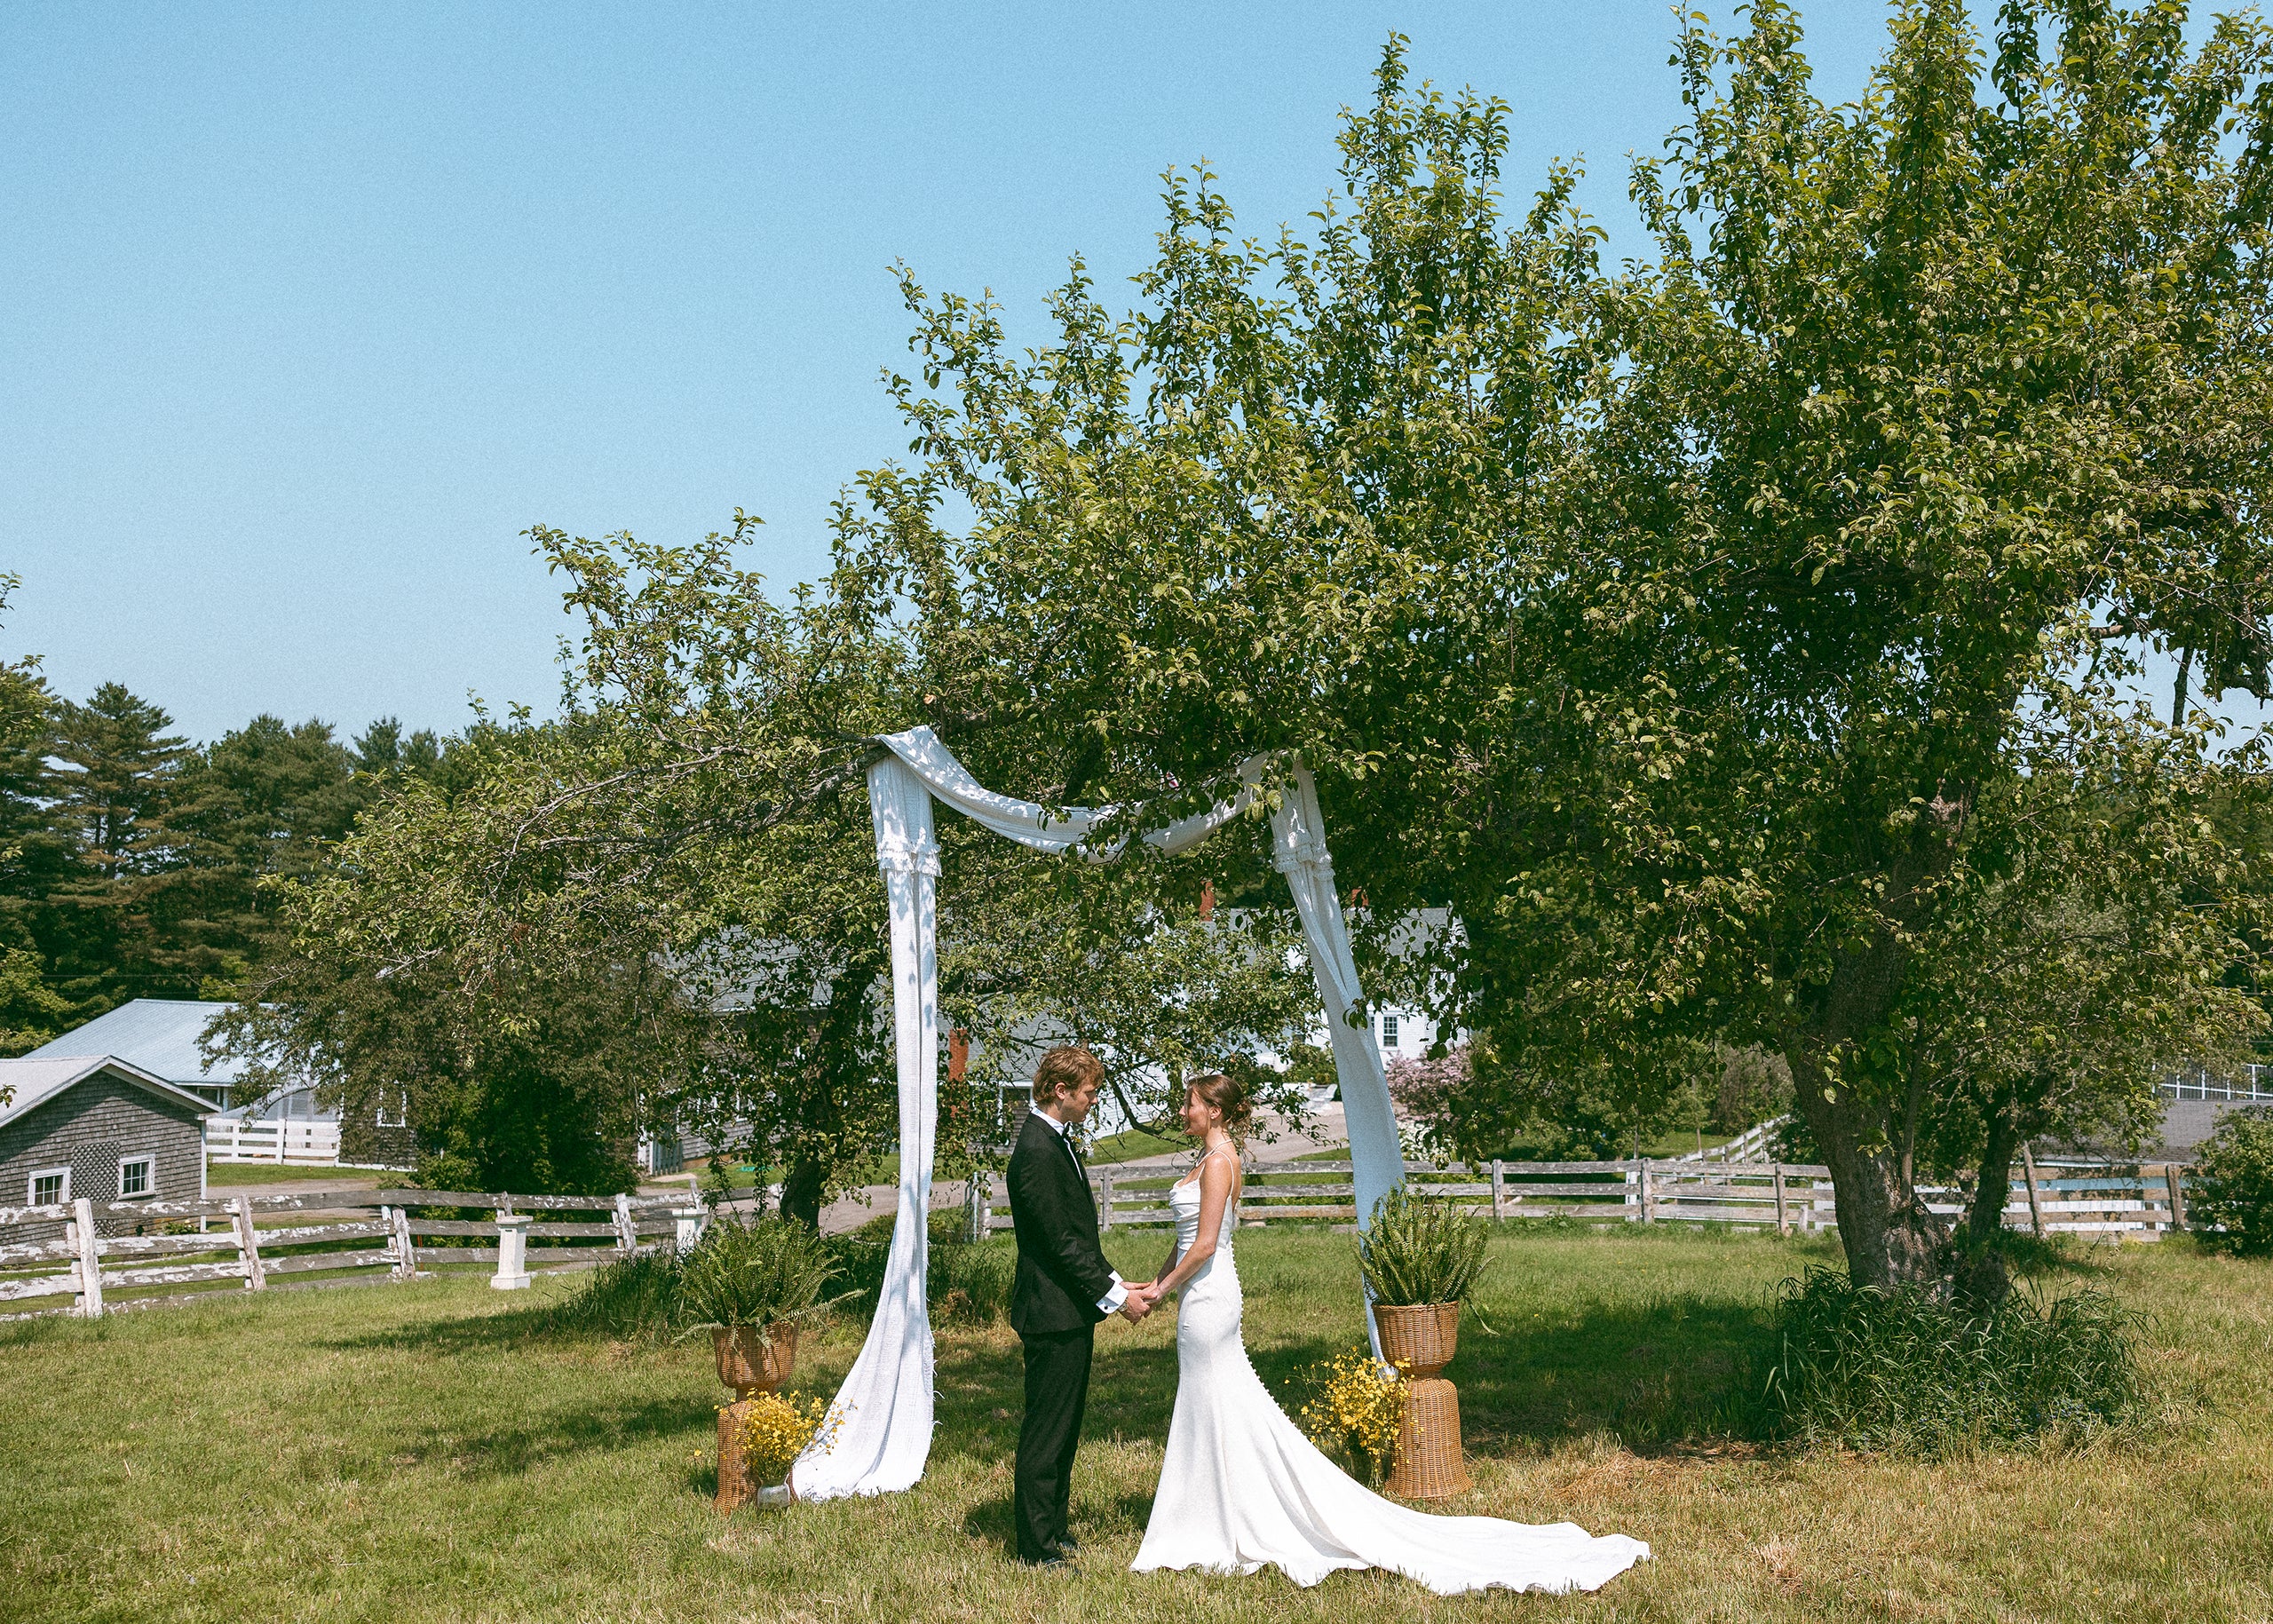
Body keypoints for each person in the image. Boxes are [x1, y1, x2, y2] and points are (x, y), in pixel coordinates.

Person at [1127, 1072, 1651, 1596]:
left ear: (1214, 1111)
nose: (1182, 1111)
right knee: (1209, 1402)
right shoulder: (1204, 1161)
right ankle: (1216, 1511)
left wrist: (1158, 1293)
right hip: (1197, 1295)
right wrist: (1154, 1281)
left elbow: (1206, 1244)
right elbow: (1185, 1240)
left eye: (1190, 1104)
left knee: (1218, 1399)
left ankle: (1222, 1517)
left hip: (1211, 1297)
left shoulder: (1220, 1164)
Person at [1004, 1044, 1151, 1568]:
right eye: (1089, 1092)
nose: (1093, 1101)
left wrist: (1115, 1280)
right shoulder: (1038, 1151)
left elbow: (1076, 1237)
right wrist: (1119, 1300)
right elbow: (1058, 1245)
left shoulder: (1056, 1142)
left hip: (1068, 1308)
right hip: (1050, 1311)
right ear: (1061, 1091)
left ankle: (1054, 1529)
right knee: (1047, 1428)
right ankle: (1036, 1546)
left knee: (1065, 1426)